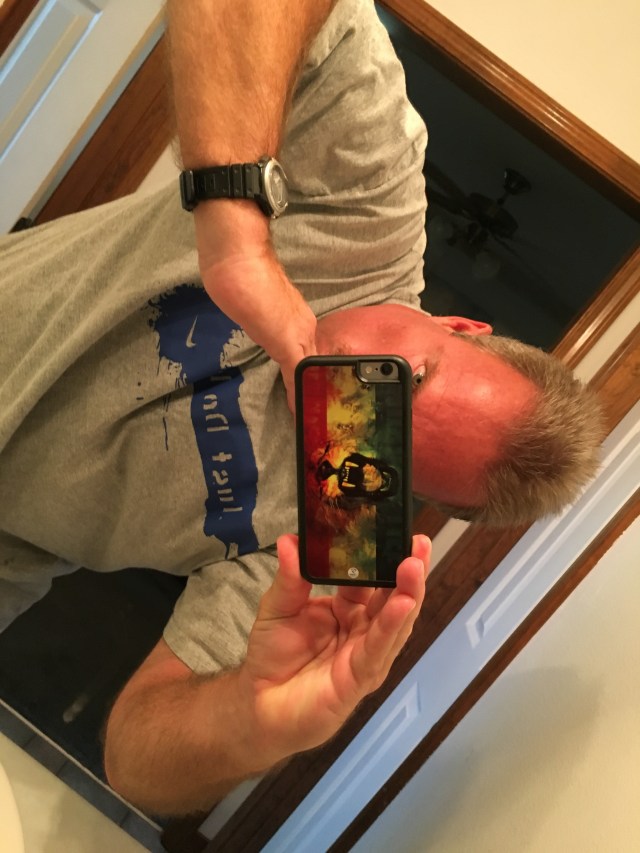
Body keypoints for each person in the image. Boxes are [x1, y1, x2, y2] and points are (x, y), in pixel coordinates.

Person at [0, 0, 602, 816]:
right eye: (405, 380)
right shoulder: (371, 213)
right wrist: (237, 238)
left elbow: (136, 762)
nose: (348, 404)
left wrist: (250, 720)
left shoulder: (335, 536)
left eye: (386, 448)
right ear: (458, 325)